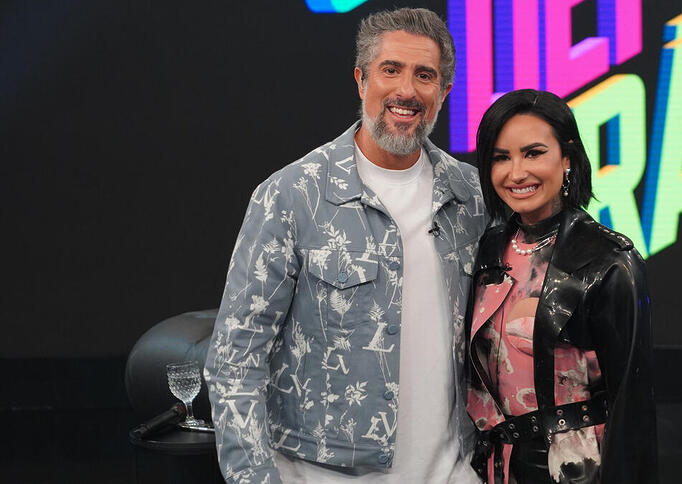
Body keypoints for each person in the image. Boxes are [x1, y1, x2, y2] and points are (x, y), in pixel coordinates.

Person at [204, 8, 487, 484]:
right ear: (361, 80)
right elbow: (235, 358)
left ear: (444, 93)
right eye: (390, 69)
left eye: (425, 75)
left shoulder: (473, 195)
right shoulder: (292, 196)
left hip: (452, 472)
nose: (407, 91)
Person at [465, 89, 657, 484]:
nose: (516, 173)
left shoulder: (610, 261)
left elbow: (632, 411)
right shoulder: (484, 249)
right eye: (501, 158)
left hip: (577, 471)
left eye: (533, 153)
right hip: (490, 470)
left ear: (567, 157)